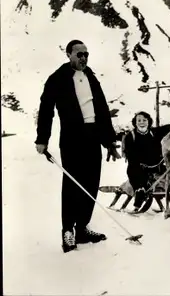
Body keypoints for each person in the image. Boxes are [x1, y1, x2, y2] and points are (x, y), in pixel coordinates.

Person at [35, 39, 121, 253]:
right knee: (73, 183)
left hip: (93, 136)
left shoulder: (90, 75)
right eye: (79, 54)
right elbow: (46, 109)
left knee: (91, 183)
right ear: (69, 55)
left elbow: (101, 108)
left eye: (86, 54)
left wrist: (109, 140)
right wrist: (42, 139)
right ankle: (68, 231)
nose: (83, 58)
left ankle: (82, 228)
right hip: (73, 137)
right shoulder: (57, 78)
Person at [122, 111, 164, 214]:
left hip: (154, 165)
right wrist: (141, 163)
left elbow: (159, 150)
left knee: (166, 171)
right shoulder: (130, 136)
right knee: (137, 177)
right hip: (137, 166)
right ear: (135, 122)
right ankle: (139, 195)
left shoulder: (154, 134)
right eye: (139, 120)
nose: (142, 123)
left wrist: (159, 160)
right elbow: (130, 154)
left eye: (144, 120)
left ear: (149, 122)